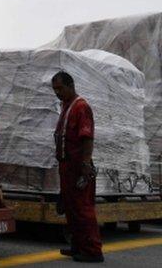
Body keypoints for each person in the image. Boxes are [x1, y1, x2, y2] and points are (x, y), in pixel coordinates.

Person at [51, 71, 103, 263]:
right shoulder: (66, 107)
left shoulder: (81, 107)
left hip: (78, 166)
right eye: (55, 89)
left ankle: (92, 250)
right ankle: (78, 245)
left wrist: (85, 164)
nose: (57, 92)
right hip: (66, 166)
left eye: (60, 88)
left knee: (83, 208)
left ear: (71, 85)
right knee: (70, 207)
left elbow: (87, 137)